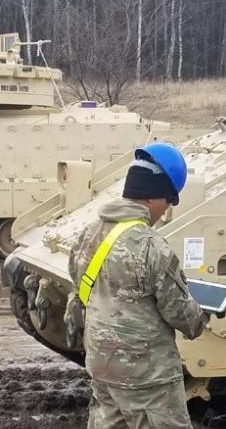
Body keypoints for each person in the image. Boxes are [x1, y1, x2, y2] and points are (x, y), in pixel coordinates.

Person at [68, 142, 207, 429]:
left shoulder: (87, 233)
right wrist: (203, 314)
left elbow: (79, 282)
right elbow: (184, 319)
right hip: (148, 376)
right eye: (168, 204)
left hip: (102, 365)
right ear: (153, 200)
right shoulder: (151, 246)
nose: (164, 213)